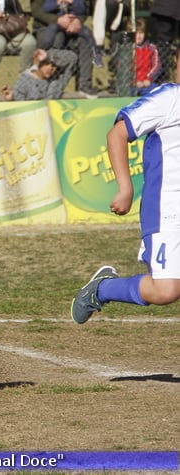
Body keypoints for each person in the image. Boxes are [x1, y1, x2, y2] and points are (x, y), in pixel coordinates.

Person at [71, 54, 180, 324]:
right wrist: (125, 188)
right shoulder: (170, 99)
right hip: (168, 212)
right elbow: (117, 134)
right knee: (166, 290)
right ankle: (102, 289)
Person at [31, 0, 99, 98]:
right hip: (46, 28)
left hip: (71, 28)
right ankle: (47, 86)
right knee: (58, 38)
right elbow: (36, 10)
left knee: (84, 40)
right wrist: (57, 20)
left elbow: (84, 7)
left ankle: (85, 86)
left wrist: (78, 21)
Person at [38, 0, 104, 68]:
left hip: (73, 23)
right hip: (59, 23)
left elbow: (82, 10)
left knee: (87, 33)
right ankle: (44, 49)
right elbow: (45, 8)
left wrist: (72, 2)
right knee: (51, 30)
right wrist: (57, 3)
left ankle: (96, 55)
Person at [1, 47, 77, 100]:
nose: (50, 68)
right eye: (46, 64)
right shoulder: (24, 81)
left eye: (54, 65)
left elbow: (72, 58)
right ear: (38, 64)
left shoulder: (57, 81)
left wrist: (47, 55)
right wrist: (12, 98)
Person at [133, 18, 161, 96]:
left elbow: (157, 65)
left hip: (148, 82)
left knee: (156, 92)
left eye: (141, 33)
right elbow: (125, 68)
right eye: (136, 33)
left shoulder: (151, 48)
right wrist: (135, 81)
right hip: (132, 84)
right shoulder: (128, 49)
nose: (138, 36)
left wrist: (148, 78)